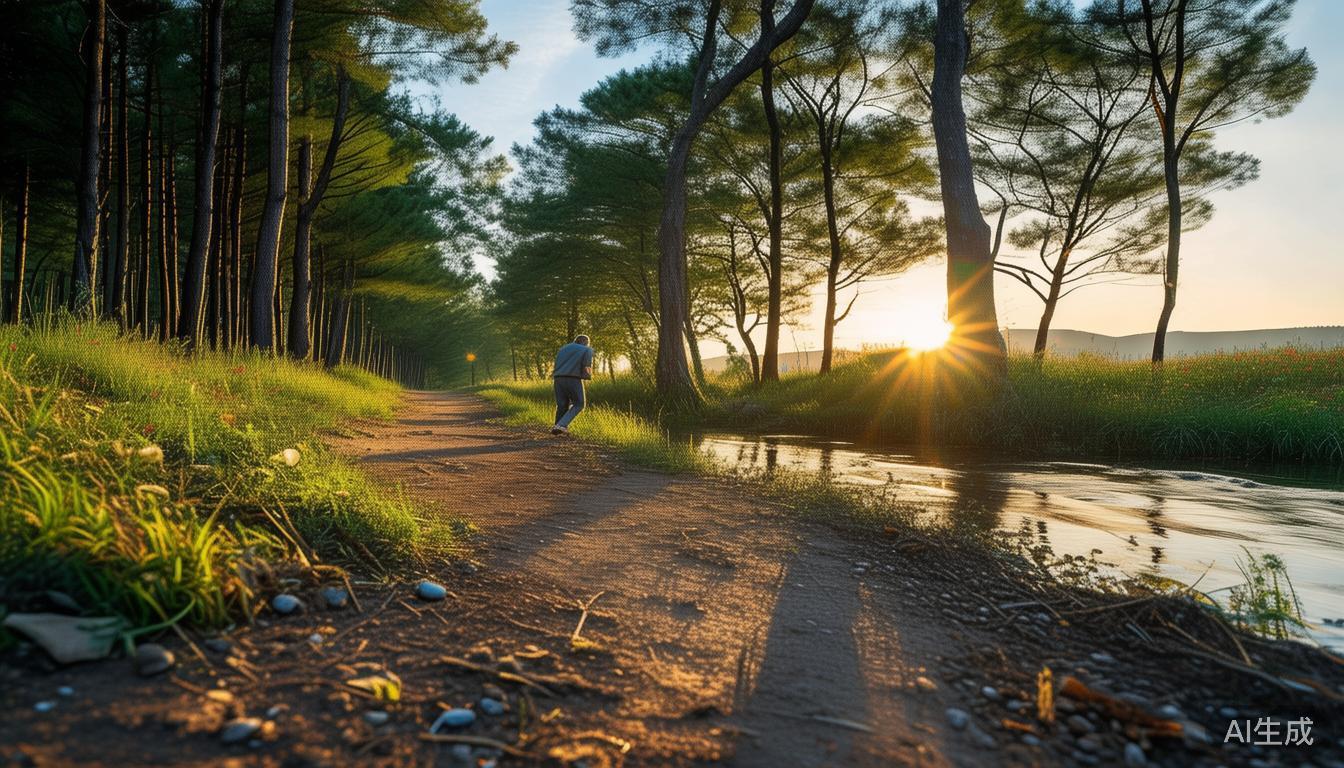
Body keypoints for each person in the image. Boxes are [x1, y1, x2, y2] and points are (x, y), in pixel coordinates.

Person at [551, 335, 593, 435]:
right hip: (573, 378)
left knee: (562, 405)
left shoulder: (562, 349)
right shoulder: (587, 349)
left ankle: (557, 428)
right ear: (586, 342)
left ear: (576, 341)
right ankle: (561, 425)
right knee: (579, 403)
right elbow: (587, 366)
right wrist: (588, 376)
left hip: (558, 378)